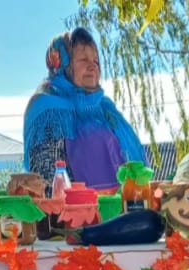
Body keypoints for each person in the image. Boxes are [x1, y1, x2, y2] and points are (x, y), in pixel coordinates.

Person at [23, 27, 146, 194]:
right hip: (77, 214)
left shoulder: (105, 108)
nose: (92, 66)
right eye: (83, 60)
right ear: (61, 63)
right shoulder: (47, 109)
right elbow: (48, 181)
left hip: (122, 209)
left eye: (96, 61)